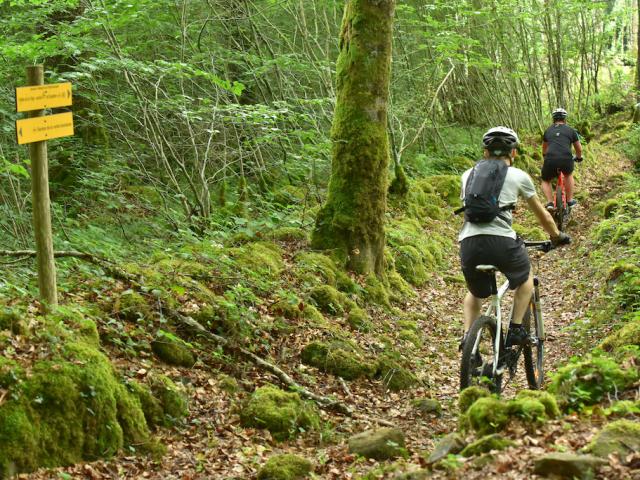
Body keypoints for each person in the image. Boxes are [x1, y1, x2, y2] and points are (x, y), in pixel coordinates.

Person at [458, 126, 570, 350]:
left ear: (485, 152)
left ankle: (468, 343)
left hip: (469, 243)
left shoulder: (467, 175)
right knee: (526, 277)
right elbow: (543, 215)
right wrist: (557, 235)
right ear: (514, 153)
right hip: (502, 243)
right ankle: (516, 329)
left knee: (474, 293)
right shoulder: (519, 176)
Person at [541, 108, 583, 209]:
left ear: (553, 119)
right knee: (568, 175)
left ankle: (550, 203)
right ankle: (570, 201)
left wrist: (545, 156)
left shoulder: (548, 131)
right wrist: (578, 157)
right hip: (566, 158)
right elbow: (579, 149)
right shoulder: (571, 130)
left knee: (545, 180)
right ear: (565, 119)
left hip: (550, 159)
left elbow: (544, 148)